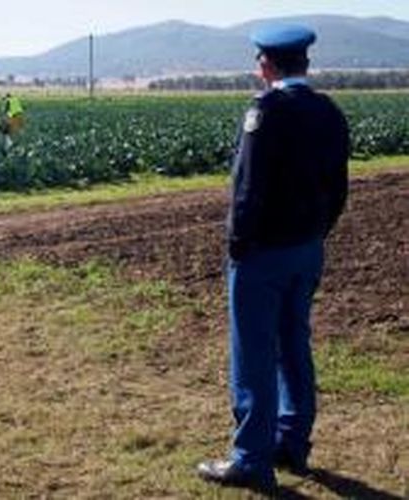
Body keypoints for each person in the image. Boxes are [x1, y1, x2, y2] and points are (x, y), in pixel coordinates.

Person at [197, 24, 350, 494]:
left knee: (253, 355)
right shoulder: (328, 111)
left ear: (267, 65)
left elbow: (247, 189)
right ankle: (292, 442)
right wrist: (317, 233)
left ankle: (250, 460)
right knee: (294, 345)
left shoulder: (264, 112)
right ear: (304, 63)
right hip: (307, 249)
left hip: (262, 254)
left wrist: (238, 245)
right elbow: (339, 187)